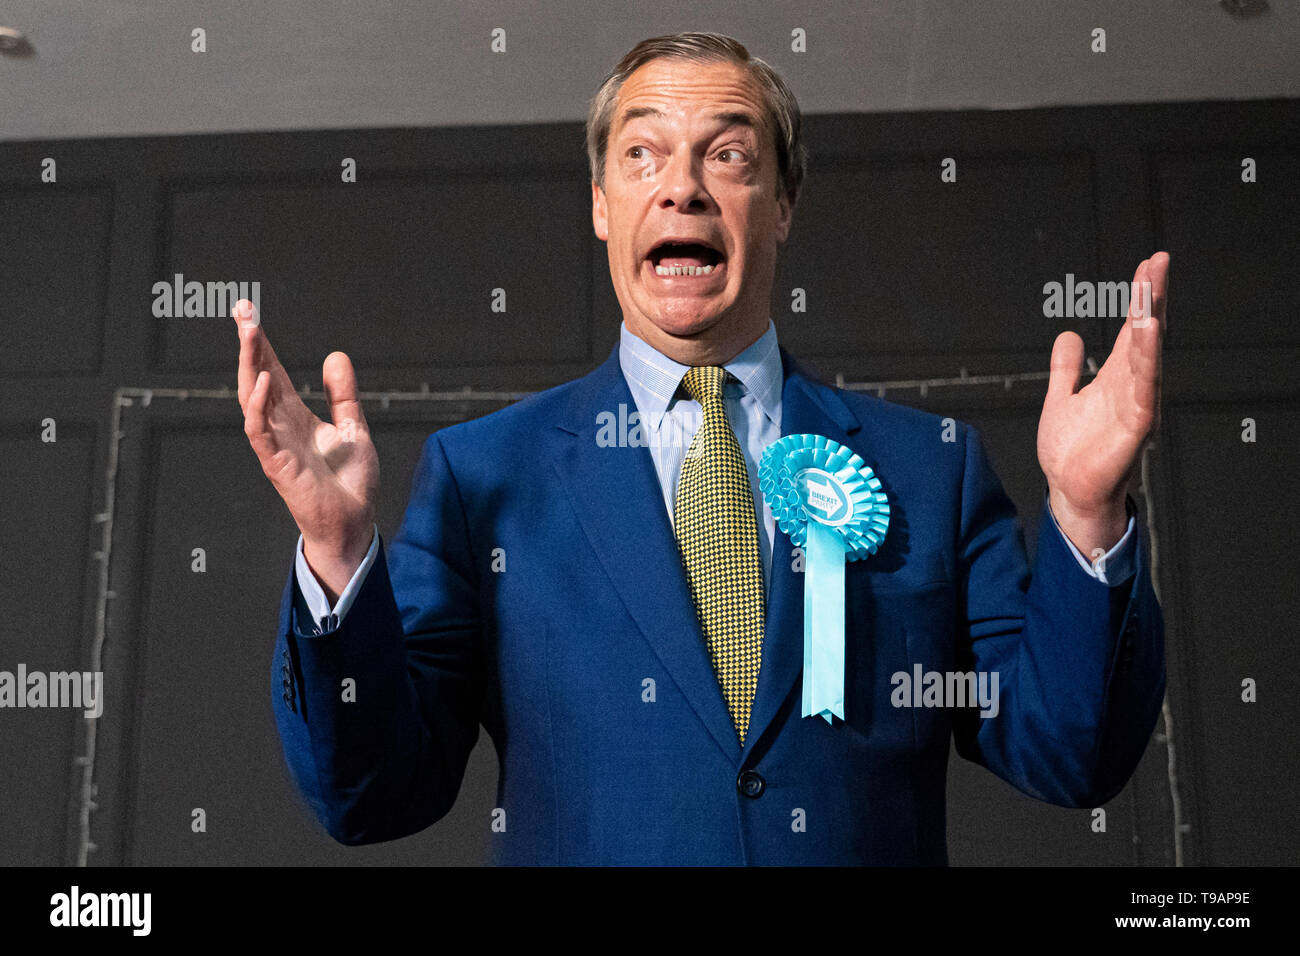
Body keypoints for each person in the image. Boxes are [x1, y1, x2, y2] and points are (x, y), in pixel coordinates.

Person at [233, 32, 1167, 865]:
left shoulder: (932, 467)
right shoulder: (485, 476)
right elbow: (373, 795)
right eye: (641, 155)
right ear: (602, 206)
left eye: (727, 155)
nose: (681, 184)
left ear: (784, 202)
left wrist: (1088, 515)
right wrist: (337, 555)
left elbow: (1067, 756)